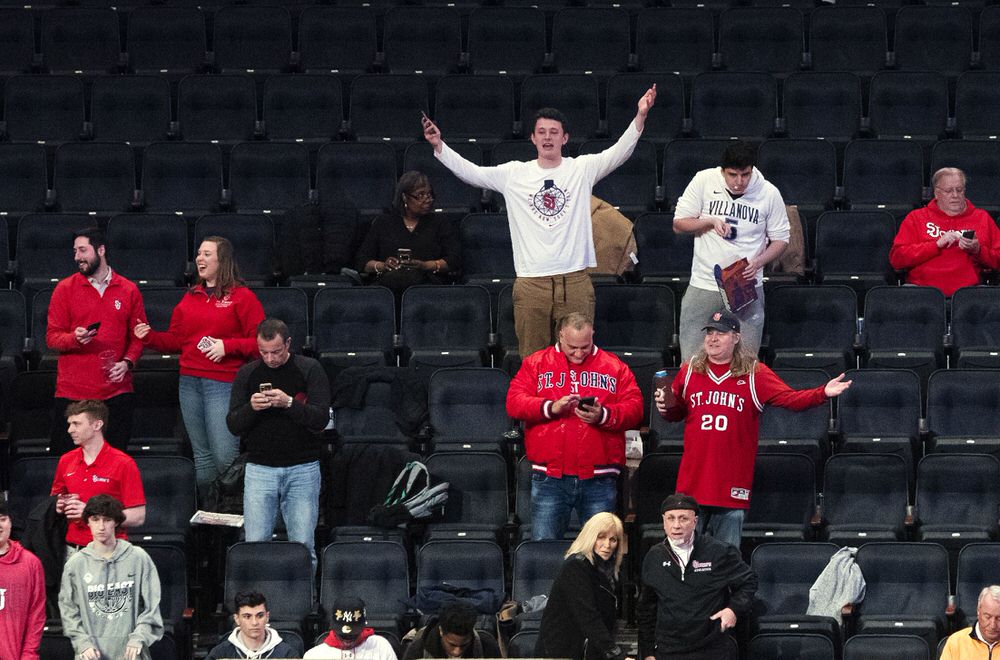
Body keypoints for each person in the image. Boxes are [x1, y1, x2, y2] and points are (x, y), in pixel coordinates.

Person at [423, 86, 657, 358]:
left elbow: (620, 152)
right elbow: (473, 173)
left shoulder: (581, 169)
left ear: (565, 138)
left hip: (576, 281)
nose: (548, 137)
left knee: (578, 359)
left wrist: (640, 115)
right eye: (542, 132)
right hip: (531, 284)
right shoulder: (514, 174)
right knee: (533, 362)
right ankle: (540, 404)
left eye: (554, 132)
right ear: (533, 138)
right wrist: (440, 146)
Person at [655, 310, 851, 548]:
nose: (712, 339)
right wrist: (665, 407)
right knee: (685, 558)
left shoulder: (753, 374)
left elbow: (791, 399)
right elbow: (675, 415)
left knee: (726, 561)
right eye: (709, 333)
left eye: (721, 333)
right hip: (692, 484)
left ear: (736, 337)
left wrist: (822, 392)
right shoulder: (689, 371)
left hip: (730, 486)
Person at [134, 236, 265, 495]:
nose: (199, 259)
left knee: (224, 457)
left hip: (223, 383)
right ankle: (211, 518)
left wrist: (227, 346)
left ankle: (237, 515)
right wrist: (149, 336)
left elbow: (261, 343)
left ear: (222, 260)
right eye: (198, 254)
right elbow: (176, 341)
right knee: (202, 459)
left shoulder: (242, 297)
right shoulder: (191, 296)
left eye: (206, 254)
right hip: (189, 382)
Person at [507, 312, 644, 540]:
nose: (579, 353)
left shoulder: (614, 366)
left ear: (593, 336)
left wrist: (603, 415)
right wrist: (551, 407)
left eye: (585, 346)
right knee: (545, 550)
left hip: (599, 477)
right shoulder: (536, 363)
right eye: (572, 347)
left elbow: (636, 408)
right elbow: (514, 402)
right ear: (560, 335)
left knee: (600, 553)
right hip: (550, 477)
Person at [226, 318, 331, 572]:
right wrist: (251, 408)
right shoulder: (247, 373)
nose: (270, 359)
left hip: (303, 468)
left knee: (303, 545)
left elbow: (321, 419)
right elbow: (233, 424)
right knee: (255, 544)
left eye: (276, 352)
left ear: (288, 344)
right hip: (260, 468)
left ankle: (305, 605)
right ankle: (256, 606)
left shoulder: (310, 369)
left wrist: (289, 404)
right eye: (264, 353)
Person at [673, 140, 790, 361]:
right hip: (704, 282)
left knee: (744, 363)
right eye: (732, 175)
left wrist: (759, 262)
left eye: (745, 175)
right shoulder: (704, 180)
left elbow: (781, 240)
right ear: (722, 170)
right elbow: (679, 224)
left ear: (752, 170)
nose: (738, 182)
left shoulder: (768, 192)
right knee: (691, 362)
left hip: (745, 286)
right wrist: (709, 222)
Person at [46, 227, 147, 454]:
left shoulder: (128, 290)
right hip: (73, 394)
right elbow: (52, 338)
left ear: (101, 250)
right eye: (75, 251)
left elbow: (139, 336)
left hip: (116, 394)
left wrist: (128, 362)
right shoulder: (64, 289)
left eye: (83, 250)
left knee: (112, 464)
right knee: (69, 465)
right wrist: (75, 338)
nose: (77, 257)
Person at [636, 494, 757, 660]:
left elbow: (749, 581)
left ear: (695, 521)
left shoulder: (719, 552)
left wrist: (733, 609)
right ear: (664, 522)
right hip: (669, 649)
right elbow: (646, 609)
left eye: (683, 518)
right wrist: (648, 652)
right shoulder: (654, 557)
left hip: (711, 648)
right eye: (671, 518)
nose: (676, 525)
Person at [58, 494, 163, 660]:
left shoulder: (138, 558)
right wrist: (82, 643)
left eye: (107, 520)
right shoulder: (75, 564)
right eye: (95, 519)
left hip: (131, 654)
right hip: (91, 655)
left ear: (116, 522)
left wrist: (139, 637)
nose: (101, 526)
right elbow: (68, 610)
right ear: (87, 522)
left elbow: (152, 607)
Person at [50, 399, 146, 551]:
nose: (70, 430)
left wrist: (89, 513)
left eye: (77, 424)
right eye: (70, 424)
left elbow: (138, 516)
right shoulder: (65, 461)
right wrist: (58, 505)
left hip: (112, 549)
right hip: (73, 550)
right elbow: (55, 500)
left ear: (97, 425)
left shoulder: (123, 463)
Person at [890, 167, 1000, 297]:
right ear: (937, 193)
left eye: (959, 190)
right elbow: (897, 259)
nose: (955, 195)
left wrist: (978, 251)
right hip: (923, 291)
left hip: (969, 293)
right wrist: (935, 245)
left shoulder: (982, 218)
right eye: (948, 190)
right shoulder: (916, 217)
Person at [356, 171, 460, 306]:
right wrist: (383, 266)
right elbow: (362, 260)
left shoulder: (440, 223)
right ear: (405, 197)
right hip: (389, 284)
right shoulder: (383, 223)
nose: (427, 199)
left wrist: (425, 266)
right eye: (420, 195)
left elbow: (454, 259)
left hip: (427, 285)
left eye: (429, 194)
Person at [535, 512, 626, 660]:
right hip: (561, 653)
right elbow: (588, 615)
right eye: (601, 537)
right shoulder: (576, 566)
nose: (607, 545)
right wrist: (615, 653)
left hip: (587, 650)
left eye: (613, 539)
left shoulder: (608, 569)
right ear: (590, 536)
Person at [0, 500, 46, 660]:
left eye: (2, 519)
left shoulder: (30, 563)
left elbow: (36, 616)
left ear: (11, 523)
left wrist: (29, 656)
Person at [207, 591, 298, 659]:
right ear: (237, 619)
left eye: (260, 616)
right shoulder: (220, 654)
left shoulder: (287, 654)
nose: (254, 622)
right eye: (247, 616)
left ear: (267, 617)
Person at [403, 600, 501, 660]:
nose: (457, 652)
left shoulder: (487, 646)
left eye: (464, 645)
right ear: (441, 631)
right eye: (452, 645)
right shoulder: (418, 649)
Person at [304, 597, 397, 660]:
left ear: (363, 627)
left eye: (352, 635)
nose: (347, 640)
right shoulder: (314, 656)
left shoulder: (380, 646)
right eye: (343, 635)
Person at [941, 585, 1000, 659]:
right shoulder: (956, 642)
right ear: (978, 611)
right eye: (987, 617)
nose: (993, 625)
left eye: (999, 619)